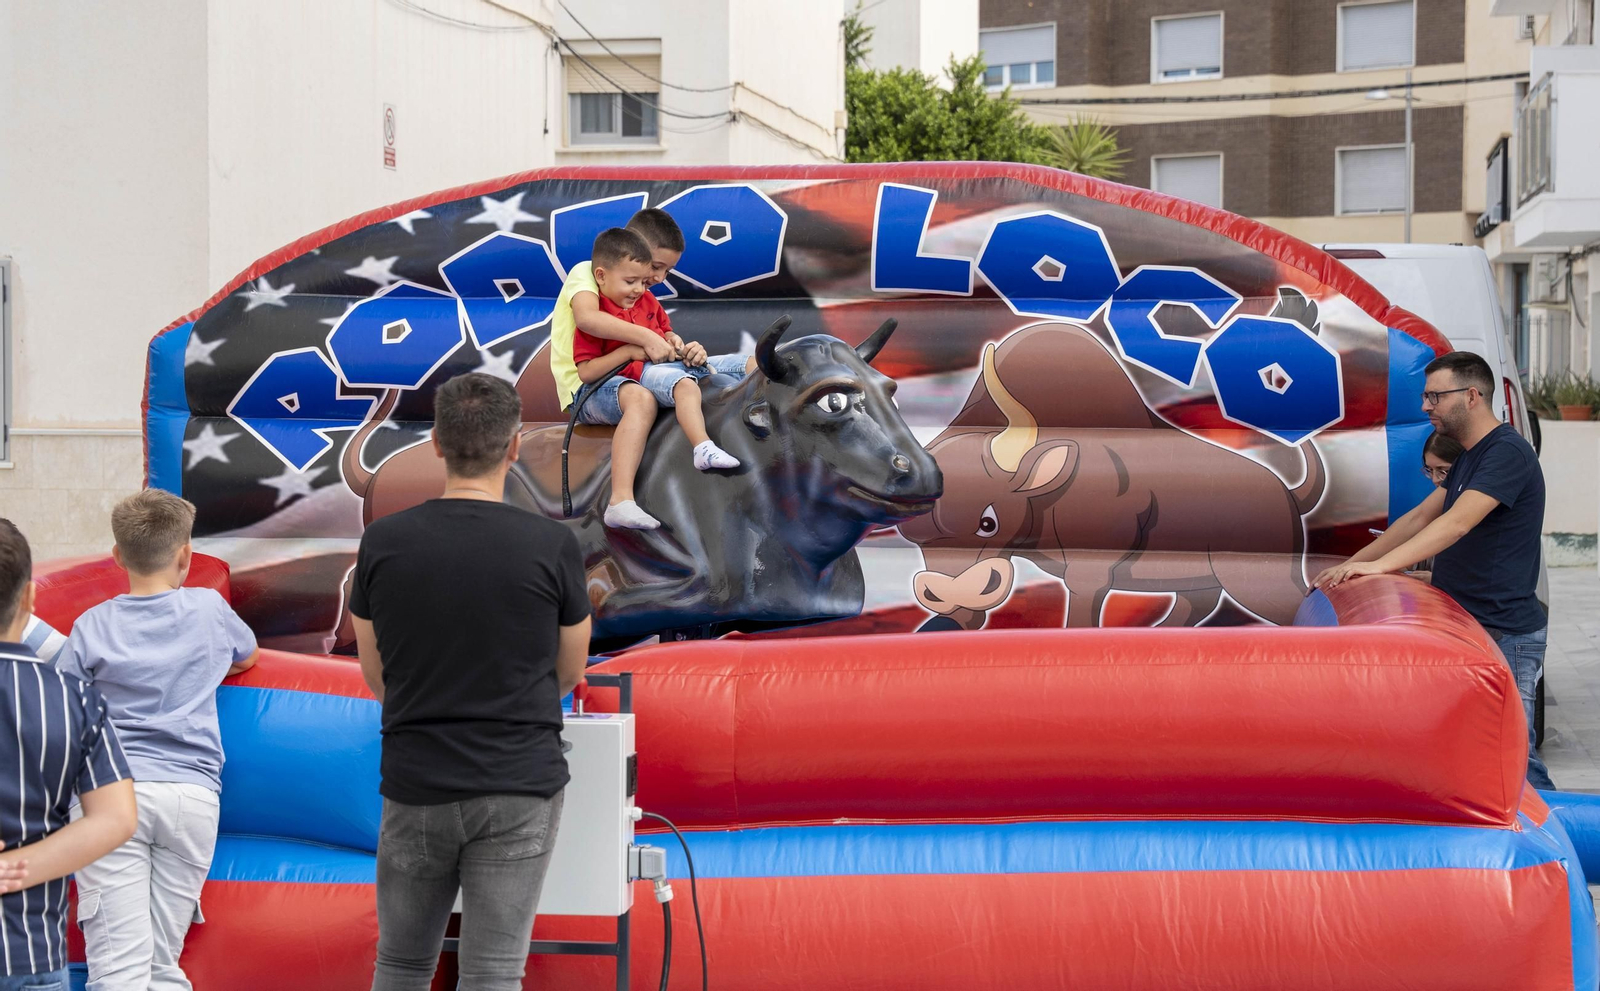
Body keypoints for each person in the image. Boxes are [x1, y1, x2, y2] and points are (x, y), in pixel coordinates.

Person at [351, 372, 590, 991]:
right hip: (519, 783)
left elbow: (376, 672)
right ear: (514, 446)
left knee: (401, 965)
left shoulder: (382, 543)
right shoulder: (552, 545)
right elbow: (569, 670)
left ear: (435, 442)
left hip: (417, 780)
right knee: (493, 972)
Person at [1314, 352, 1551, 788]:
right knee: (1472, 754)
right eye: (1426, 397)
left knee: (1519, 761)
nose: (1426, 407)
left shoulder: (1507, 453)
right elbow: (1418, 518)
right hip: (1470, 625)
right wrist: (1355, 565)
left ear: (1472, 396)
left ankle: (1556, 848)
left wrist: (1383, 566)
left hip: (1506, 632)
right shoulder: (1468, 457)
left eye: (1435, 397)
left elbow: (1457, 523)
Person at [56, 489, 259, 991]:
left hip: (112, 794)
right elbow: (247, 655)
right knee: (160, 965)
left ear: (118, 556)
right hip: (190, 796)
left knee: (118, 969)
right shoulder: (210, 609)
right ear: (186, 555)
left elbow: (63, 707)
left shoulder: (92, 625)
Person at [0, 519, 136, 990]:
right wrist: (20, 868)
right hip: (28, 950)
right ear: (30, 601)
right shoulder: (76, 699)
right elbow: (116, 818)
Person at [565, 225, 757, 530]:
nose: (651, 283)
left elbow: (664, 337)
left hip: (657, 368)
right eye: (652, 270)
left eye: (653, 276)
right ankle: (628, 495)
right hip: (605, 384)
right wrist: (633, 348)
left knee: (744, 364)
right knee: (662, 391)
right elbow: (588, 343)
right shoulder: (590, 289)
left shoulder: (645, 300)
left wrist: (683, 346)